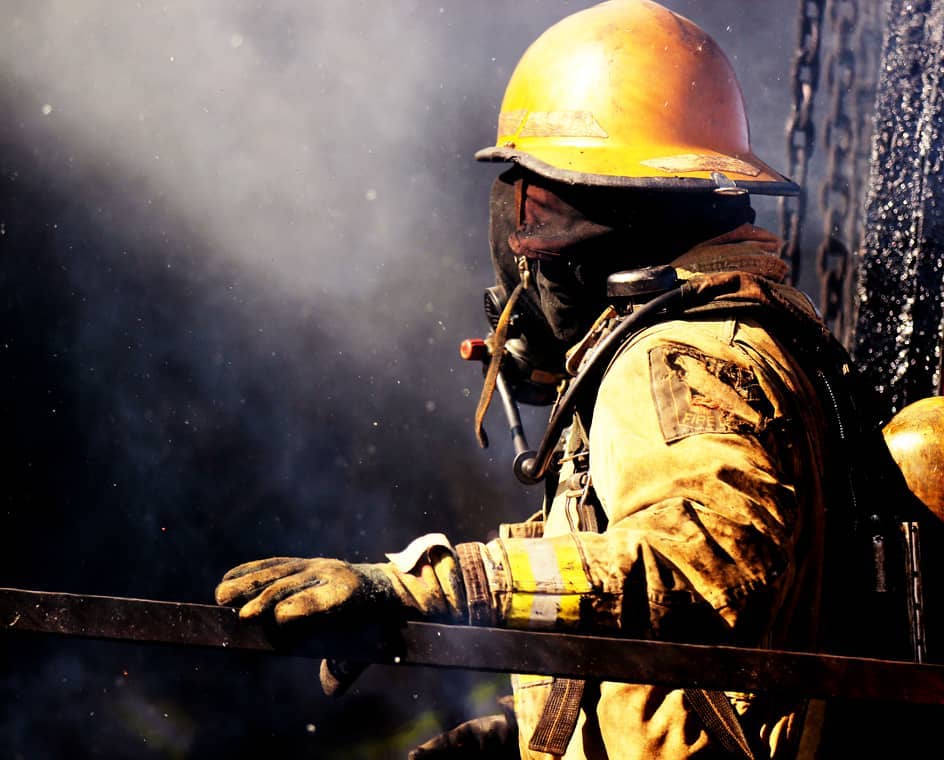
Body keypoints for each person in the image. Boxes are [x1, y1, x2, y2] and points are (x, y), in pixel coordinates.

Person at [214, 2, 850, 757]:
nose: (526, 249)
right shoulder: (730, 339)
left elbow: (697, 569)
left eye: (538, 205)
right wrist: (513, 739)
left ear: (608, 221)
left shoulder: (677, 355)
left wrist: (429, 588)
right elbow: (687, 666)